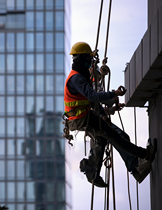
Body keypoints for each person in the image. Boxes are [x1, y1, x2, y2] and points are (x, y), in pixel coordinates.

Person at [63, 42, 157, 187]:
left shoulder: (80, 76)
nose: (90, 63)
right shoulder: (77, 79)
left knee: (104, 139)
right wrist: (114, 94)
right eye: (88, 59)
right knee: (117, 137)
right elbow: (93, 96)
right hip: (83, 119)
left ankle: (93, 172)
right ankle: (143, 157)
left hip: (83, 117)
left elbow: (90, 101)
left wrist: (103, 111)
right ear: (82, 59)